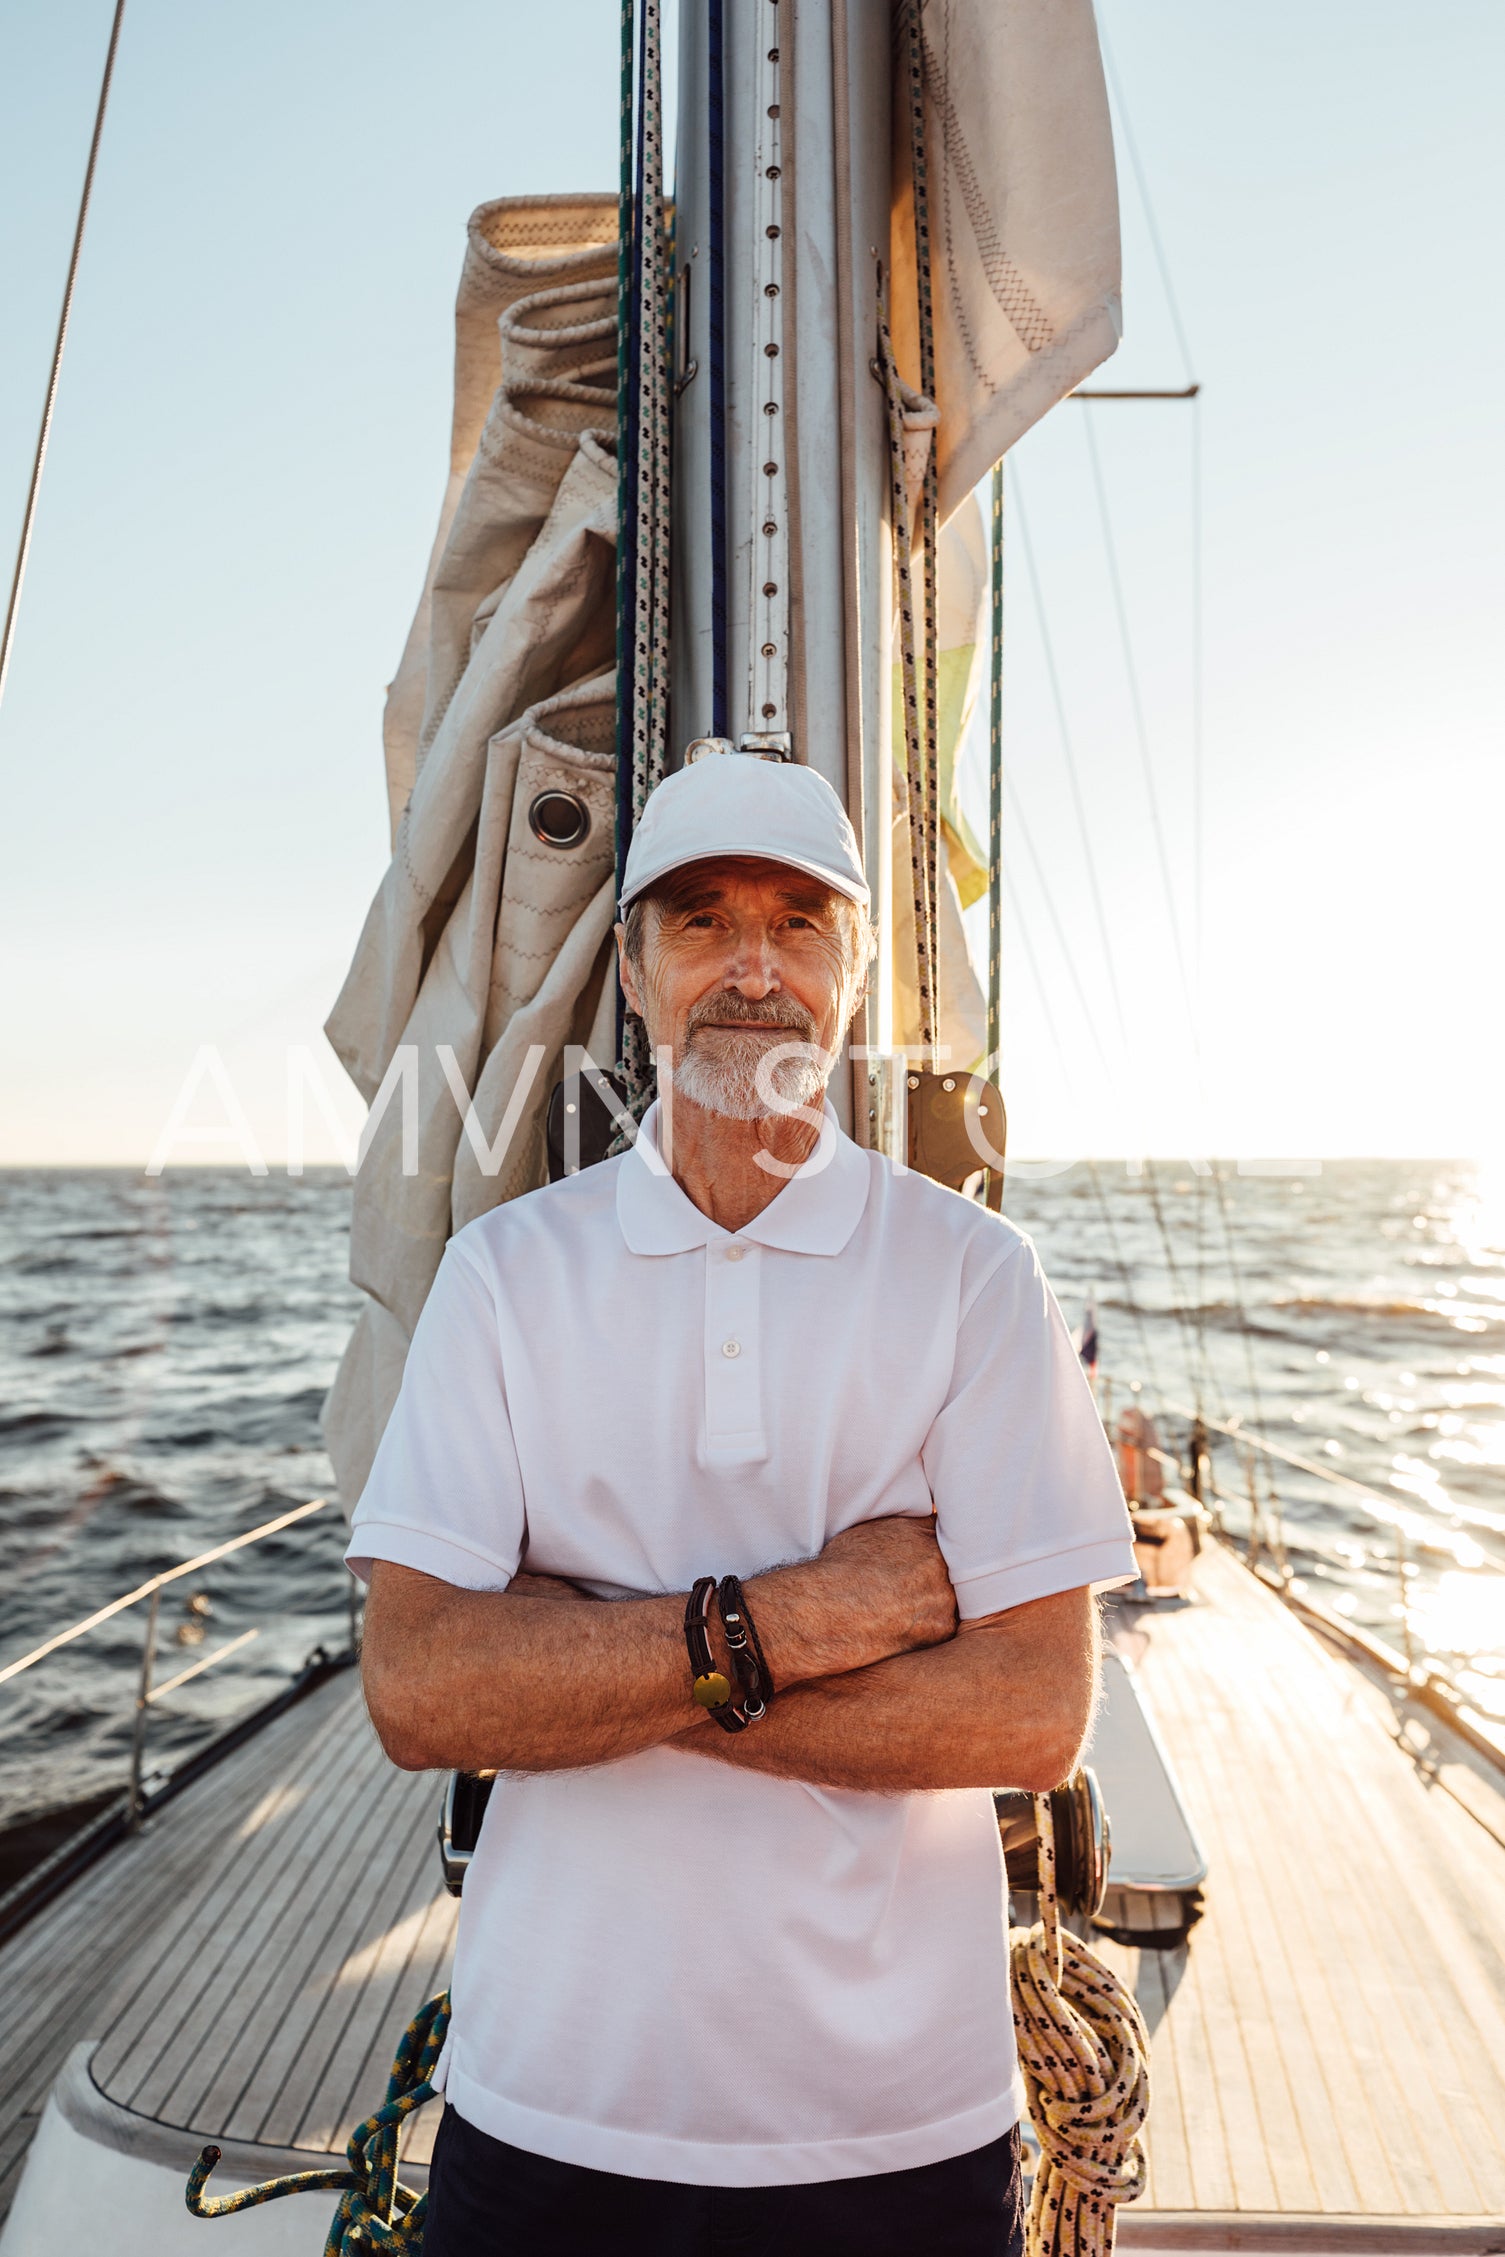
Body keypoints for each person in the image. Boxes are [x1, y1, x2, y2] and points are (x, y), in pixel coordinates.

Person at [349, 755, 1135, 2257]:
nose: (752, 966)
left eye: (798, 920)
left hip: (900, 2134)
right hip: (544, 2114)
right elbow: (422, 1684)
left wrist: (587, 1663)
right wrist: (803, 1617)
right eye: (702, 920)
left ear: (852, 974)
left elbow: (1031, 1712)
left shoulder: (973, 1281)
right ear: (635, 973)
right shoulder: (506, 1277)